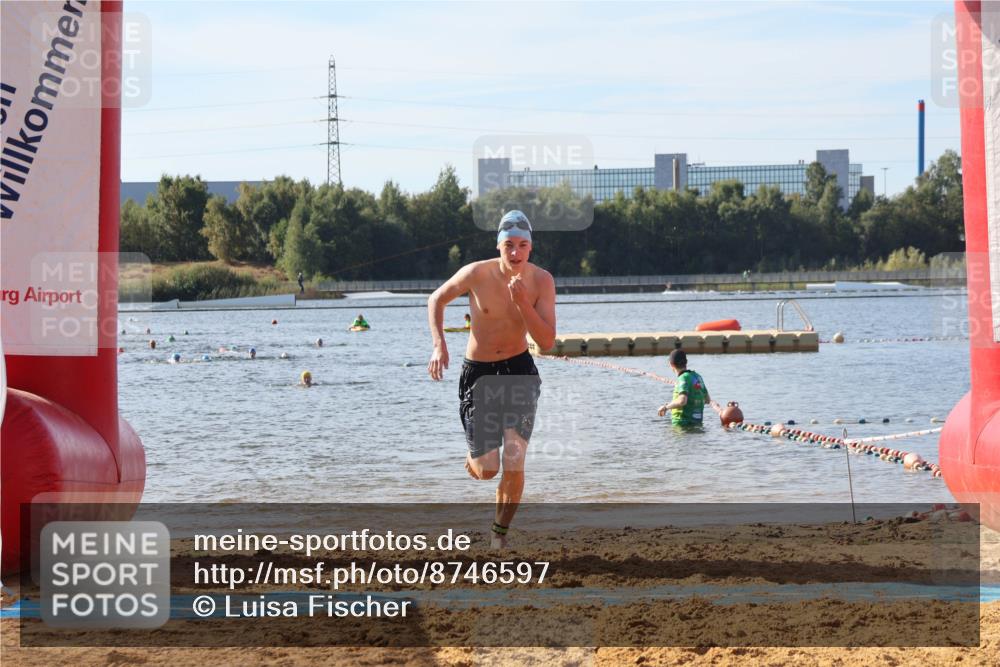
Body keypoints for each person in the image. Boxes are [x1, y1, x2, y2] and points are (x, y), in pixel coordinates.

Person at [427, 210, 556, 549]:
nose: (515, 253)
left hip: (519, 371)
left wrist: (523, 304)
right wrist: (439, 344)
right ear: (498, 246)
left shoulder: (542, 281)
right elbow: (436, 299)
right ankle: (476, 457)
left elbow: (546, 342)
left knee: (515, 459)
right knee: (487, 469)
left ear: (531, 248)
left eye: (522, 246)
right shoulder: (476, 273)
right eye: (509, 245)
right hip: (479, 374)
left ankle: (499, 535)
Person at [657, 349, 718, 427]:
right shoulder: (697, 377)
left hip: (682, 424)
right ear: (686, 362)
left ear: (671, 364)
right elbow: (707, 400)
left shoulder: (683, 378)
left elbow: (682, 401)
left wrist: (666, 407)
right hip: (697, 424)